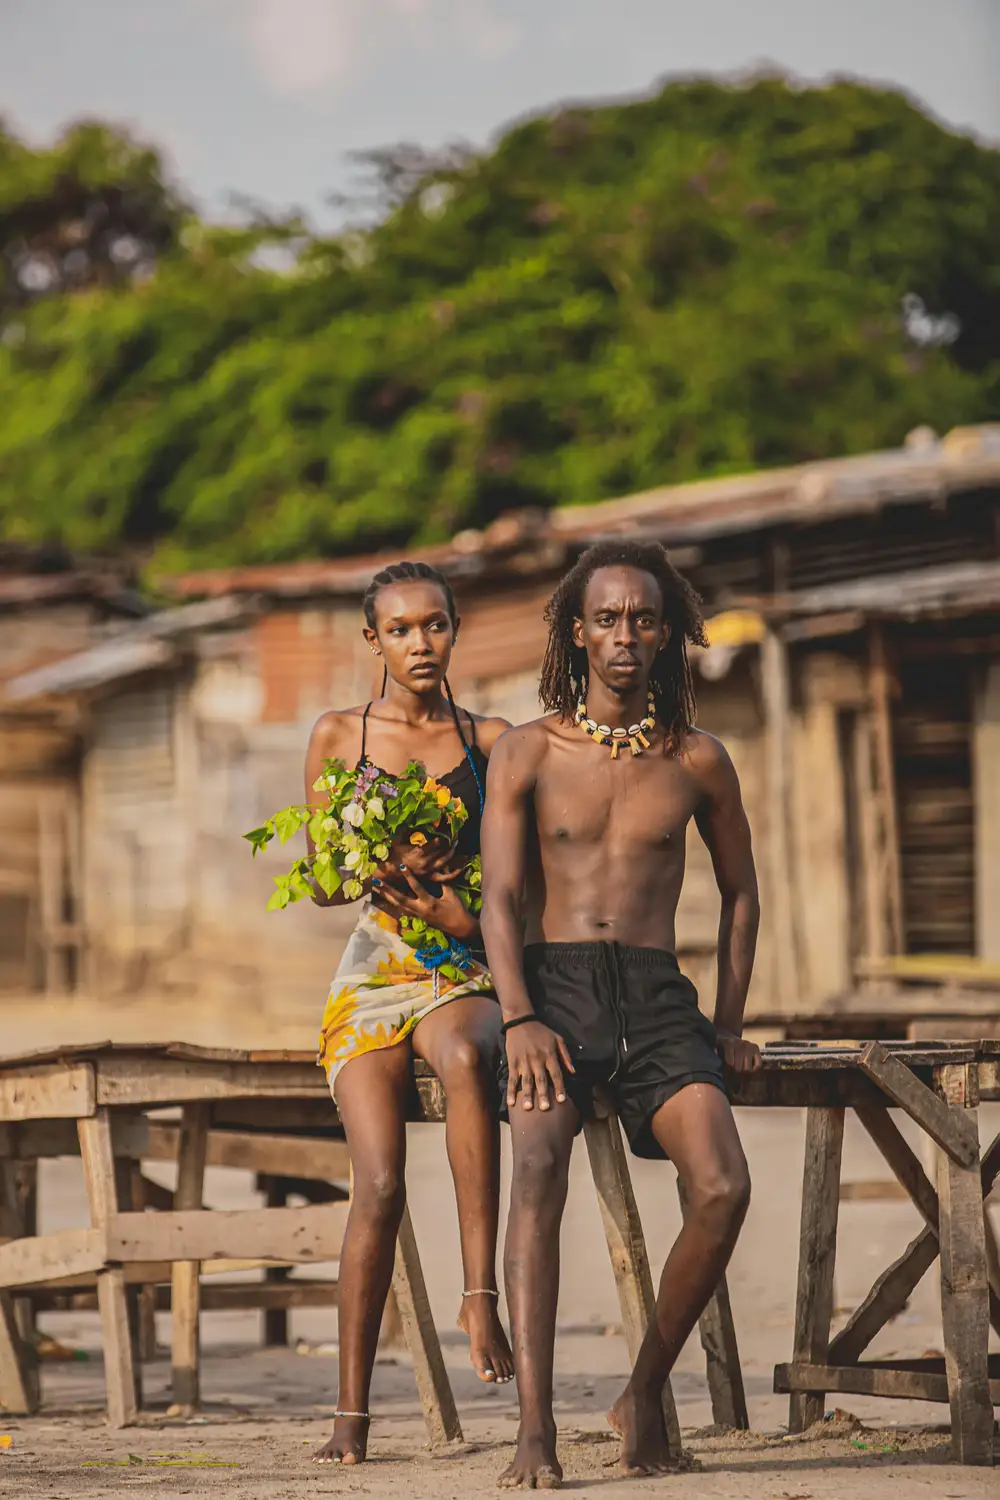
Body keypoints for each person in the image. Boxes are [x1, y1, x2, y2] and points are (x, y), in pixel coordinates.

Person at [480, 540, 761, 1489]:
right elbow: (498, 898)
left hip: (654, 995)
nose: (626, 635)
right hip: (552, 991)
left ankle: (643, 1390)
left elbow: (740, 895)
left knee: (723, 1184)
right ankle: (534, 1430)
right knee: (537, 1162)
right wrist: (518, 1016)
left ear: (671, 632)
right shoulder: (525, 750)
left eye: (645, 617)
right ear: (576, 631)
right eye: (607, 618)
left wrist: (727, 1024)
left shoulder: (699, 760)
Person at [307, 559, 515, 1467]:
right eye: (399, 630)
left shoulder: (493, 741)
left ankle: (480, 1296)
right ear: (372, 641)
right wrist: (363, 863)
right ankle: (350, 1414)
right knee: (380, 1185)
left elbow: (515, 882)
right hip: (372, 966)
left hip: (459, 960)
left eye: (434, 625)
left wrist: (456, 910)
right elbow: (316, 883)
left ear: (454, 630)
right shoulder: (335, 734)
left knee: (471, 1057)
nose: (419, 644)